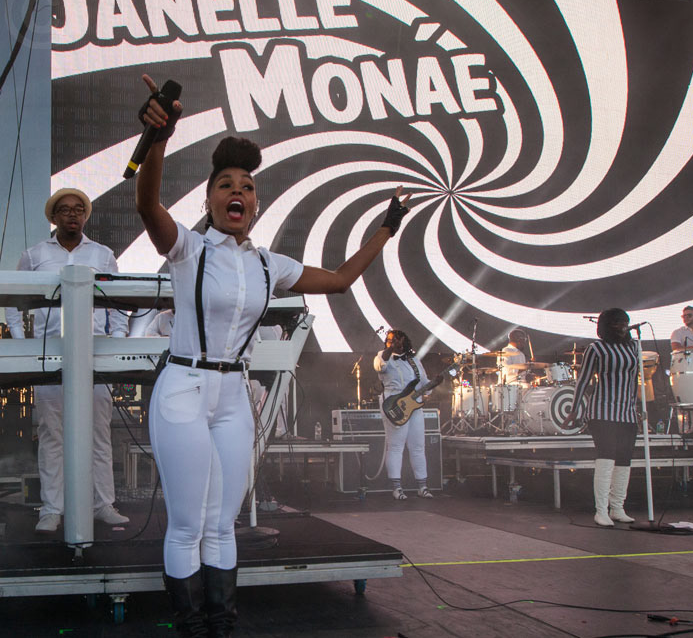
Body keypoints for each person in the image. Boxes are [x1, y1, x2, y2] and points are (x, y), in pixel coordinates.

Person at [135, 73, 410, 638]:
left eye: (247, 186)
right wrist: (159, 138)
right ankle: (191, 628)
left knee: (222, 523)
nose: (237, 191)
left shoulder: (268, 264)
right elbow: (147, 204)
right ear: (210, 201)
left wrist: (386, 229)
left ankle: (221, 626)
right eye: (224, 185)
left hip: (234, 396)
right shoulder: (189, 248)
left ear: (255, 204)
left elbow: (338, 280)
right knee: (187, 524)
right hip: (183, 389)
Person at [4, 187, 130, 533]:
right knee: (51, 435)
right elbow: (13, 300)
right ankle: (52, 509)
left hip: (94, 354)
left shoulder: (103, 255)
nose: (72, 214)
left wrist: (117, 345)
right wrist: (24, 347)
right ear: (54, 216)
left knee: (98, 433)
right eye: (65, 209)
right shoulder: (34, 254)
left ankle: (103, 504)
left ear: (85, 216)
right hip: (50, 356)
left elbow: (119, 304)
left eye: (78, 209)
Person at [569, 308, 639, 526]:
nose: (622, 326)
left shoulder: (633, 347)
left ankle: (617, 507)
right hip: (603, 411)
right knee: (606, 458)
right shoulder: (596, 349)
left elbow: (634, 378)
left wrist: (636, 405)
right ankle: (601, 510)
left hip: (627, 412)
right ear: (607, 326)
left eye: (625, 322)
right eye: (617, 323)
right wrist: (574, 408)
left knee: (624, 461)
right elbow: (583, 379)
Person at [374, 329, 434, 500]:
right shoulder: (382, 356)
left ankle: (422, 486)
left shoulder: (414, 361)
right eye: (389, 340)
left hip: (414, 404)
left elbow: (424, 383)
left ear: (404, 342)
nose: (393, 343)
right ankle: (397, 488)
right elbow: (380, 367)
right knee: (395, 446)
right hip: (394, 403)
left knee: (418, 446)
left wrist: (433, 386)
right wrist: (390, 348)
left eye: (396, 340)